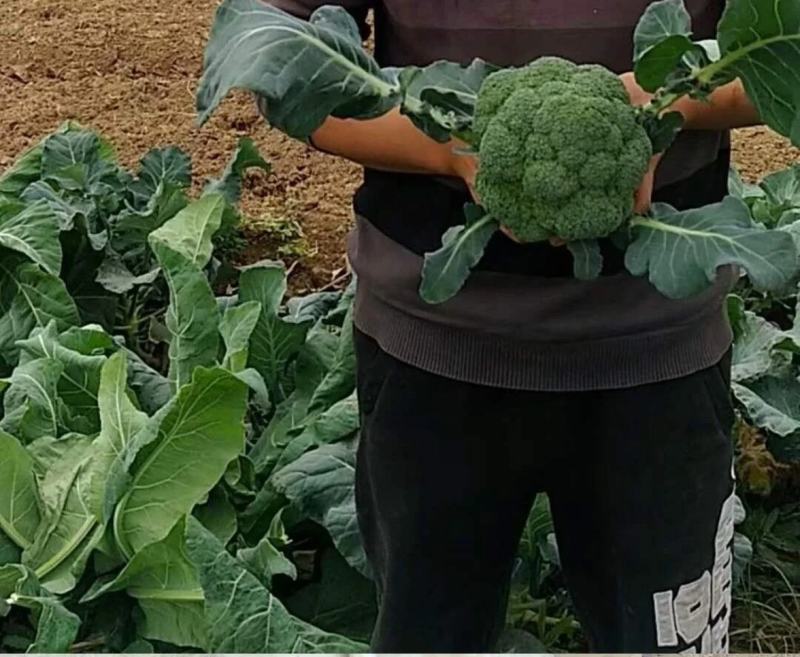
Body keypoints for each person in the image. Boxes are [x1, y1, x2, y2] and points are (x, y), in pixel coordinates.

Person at [261, 1, 762, 652]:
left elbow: (784, 55)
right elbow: (276, 51)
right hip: (433, 353)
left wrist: (657, 102)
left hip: (656, 349)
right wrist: (450, 143)